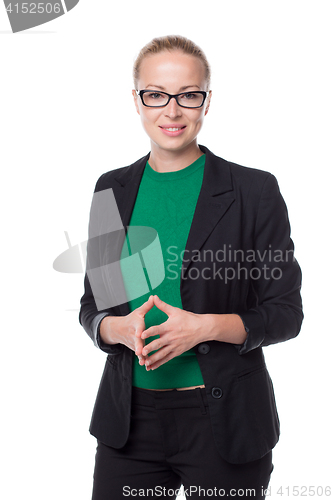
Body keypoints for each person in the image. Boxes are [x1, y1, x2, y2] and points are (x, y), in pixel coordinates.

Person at [79, 35, 303, 500]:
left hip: (225, 422)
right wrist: (117, 330)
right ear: (137, 101)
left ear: (206, 102)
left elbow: (285, 314)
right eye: (156, 95)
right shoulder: (111, 189)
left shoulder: (254, 191)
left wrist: (203, 328)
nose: (172, 110)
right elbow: (93, 305)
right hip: (129, 425)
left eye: (188, 95)